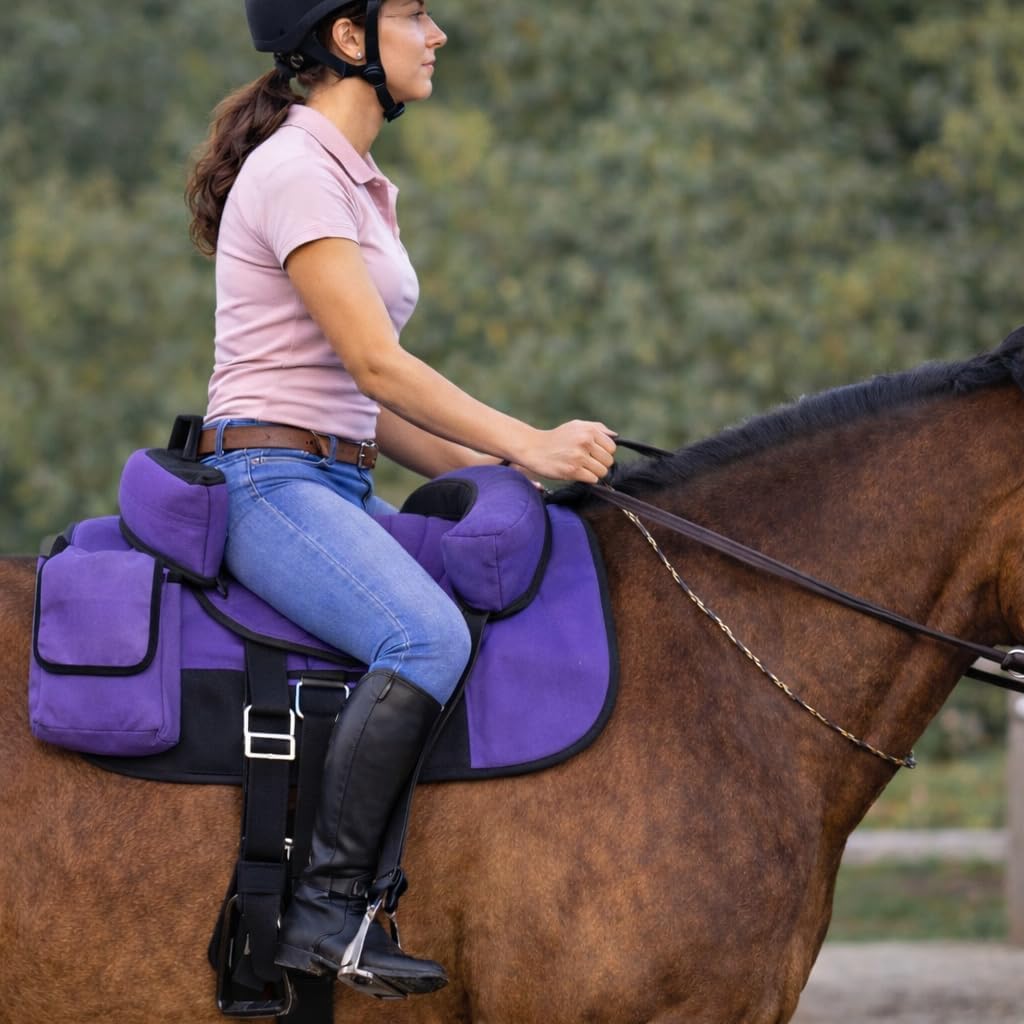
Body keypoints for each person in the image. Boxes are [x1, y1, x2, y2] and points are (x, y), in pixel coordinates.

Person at [185, 0, 617, 998]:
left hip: (336, 470)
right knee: (424, 639)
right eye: (416, 13)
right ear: (347, 37)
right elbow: (378, 366)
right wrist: (523, 435)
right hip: (269, 481)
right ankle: (329, 914)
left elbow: (368, 411)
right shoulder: (296, 170)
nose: (437, 35)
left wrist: (502, 471)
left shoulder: (360, 182)